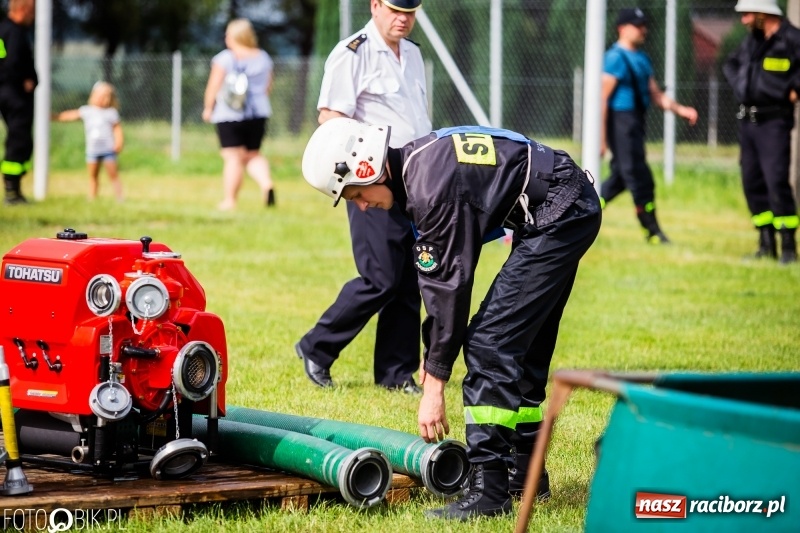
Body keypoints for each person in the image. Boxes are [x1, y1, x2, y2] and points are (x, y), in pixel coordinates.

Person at [302, 118, 602, 519]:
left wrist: (434, 387)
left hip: (559, 213)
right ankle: (526, 477)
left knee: (490, 344)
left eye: (356, 193)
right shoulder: (419, 168)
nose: (360, 205)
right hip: (565, 203)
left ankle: (489, 489)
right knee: (520, 346)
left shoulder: (431, 191)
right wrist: (433, 359)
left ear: (369, 167)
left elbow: (450, 290)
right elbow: (441, 287)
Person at [295, 0, 431, 394]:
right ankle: (316, 347)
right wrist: (358, 179)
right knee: (380, 277)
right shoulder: (352, 52)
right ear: (375, 6)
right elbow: (331, 119)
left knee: (409, 279)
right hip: (371, 180)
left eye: (410, 11)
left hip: (412, 177)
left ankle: (396, 373)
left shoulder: (414, 55)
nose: (402, 18)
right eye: (394, 9)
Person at [600, 7, 698, 244]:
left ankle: (582, 208)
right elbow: (601, 100)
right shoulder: (615, 58)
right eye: (637, 25)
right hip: (620, 124)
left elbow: (656, 94)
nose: (644, 30)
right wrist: (601, 140)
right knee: (637, 177)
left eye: (644, 25)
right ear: (622, 28)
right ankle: (652, 231)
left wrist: (681, 110)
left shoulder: (642, 58)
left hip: (636, 124)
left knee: (623, 178)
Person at [722, 0, 800, 264]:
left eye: (747, 14)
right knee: (751, 181)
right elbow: (730, 65)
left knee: (776, 181)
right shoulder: (752, 41)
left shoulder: (791, 38)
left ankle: (788, 245)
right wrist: (742, 87)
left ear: (763, 13)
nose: (743, 20)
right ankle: (766, 243)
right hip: (748, 123)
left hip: (774, 123)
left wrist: (794, 90)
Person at [202, 18, 275, 211]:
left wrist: (208, 107)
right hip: (258, 112)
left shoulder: (225, 58)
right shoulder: (263, 57)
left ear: (234, 36)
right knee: (253, 154)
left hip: (230, 114)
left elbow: (214, 86)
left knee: (233, 157)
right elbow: (268, 86)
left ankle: (230, 200)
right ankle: (266, 183)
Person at [53, 82, 124, 202]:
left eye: (107, 96)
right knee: (93, 176)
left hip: (108, 149)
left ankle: (120, 197)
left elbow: (117, 130)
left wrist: (119, 142)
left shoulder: (111, 113)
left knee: (113, 175)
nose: (103, 99)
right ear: (93, 96)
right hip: (93, 150)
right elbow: (70, 115)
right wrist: (55, 116)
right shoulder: (87, 111)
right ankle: (92, 197)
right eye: (100, 96)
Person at [0, 0, 36, 205]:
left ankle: (14, 191)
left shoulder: (2, 29)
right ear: (23, 10)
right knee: (19, 139)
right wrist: (26, 80)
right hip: (15, 94)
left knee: (17, 138)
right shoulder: (15, 32)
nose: (33, 18)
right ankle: (12, 192)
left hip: (4, 91)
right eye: (32, 13)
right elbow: (13, 61)